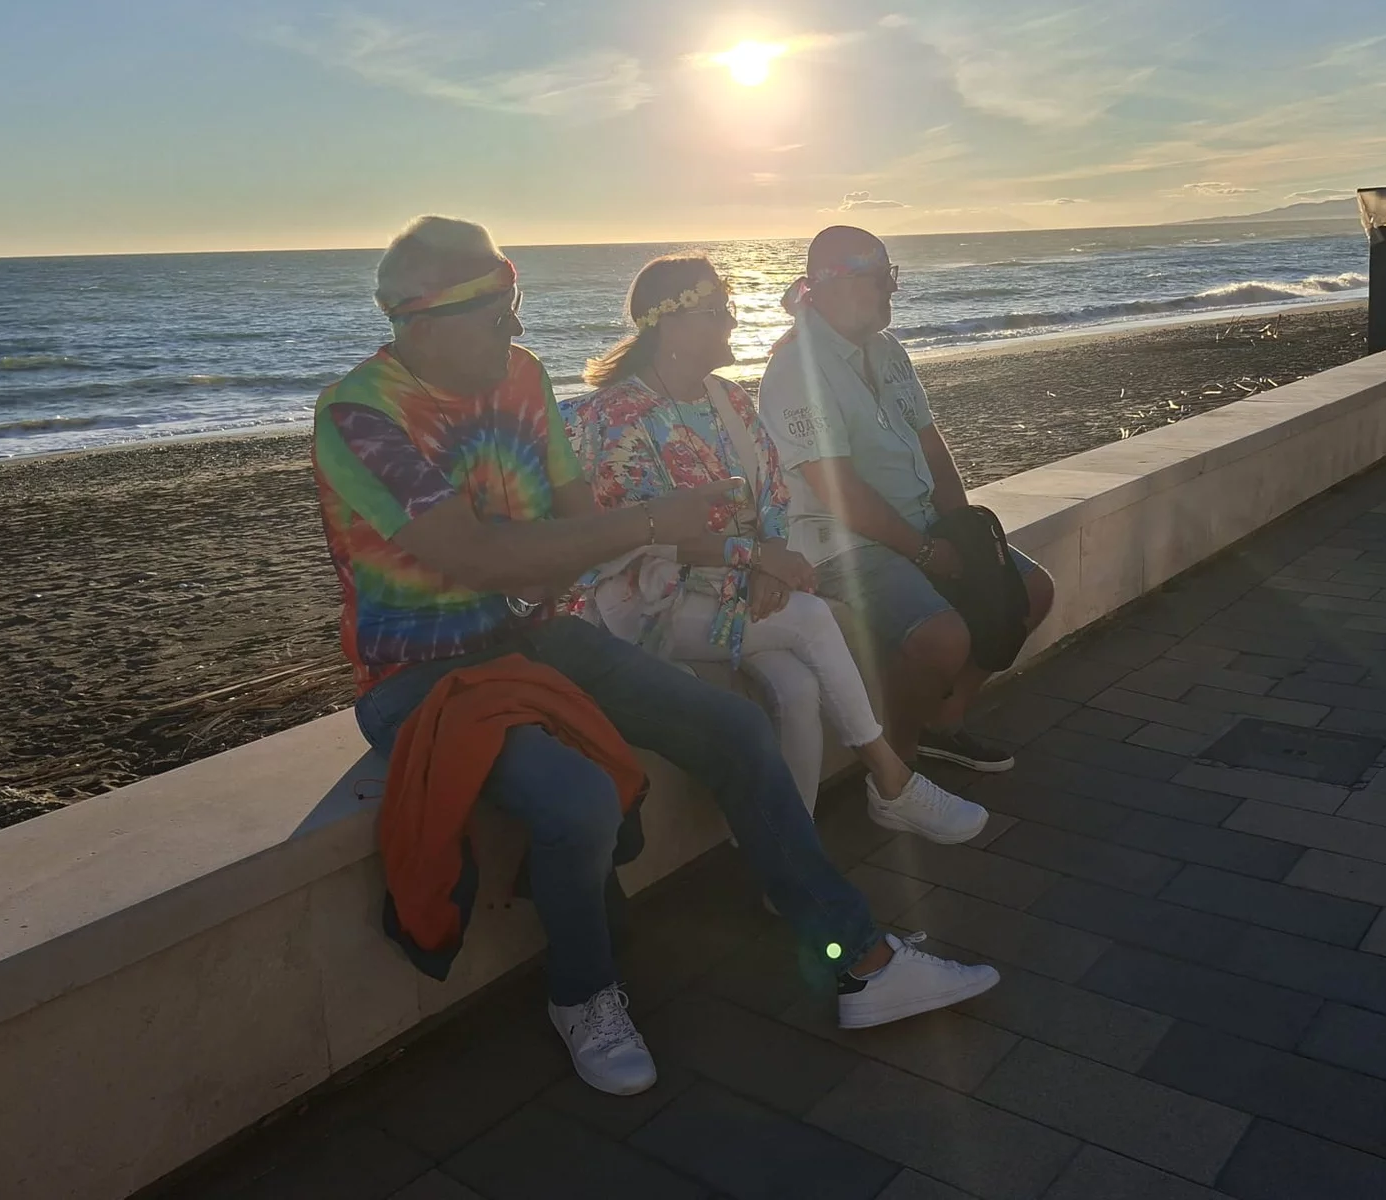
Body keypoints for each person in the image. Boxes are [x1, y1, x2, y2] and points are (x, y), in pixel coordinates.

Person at [313, 217, 998, 1098]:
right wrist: (649, 525)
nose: (517, 326)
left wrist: (619, 542)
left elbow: (570, 527)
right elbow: (483, 556)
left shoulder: (521, 377)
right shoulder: (360, 416)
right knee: (579, 797)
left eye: (517, 302)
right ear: (421, 319)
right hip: (421, 676)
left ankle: (855, 957)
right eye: (496, 311)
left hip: (541, 635)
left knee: (736, 728)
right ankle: (583, 994)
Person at [565, 254, 988, 844]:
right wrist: (759, 560)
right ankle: (892, 781)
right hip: (653, 600)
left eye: (730, 307)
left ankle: (788, 846)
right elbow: (643, 534)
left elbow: (773, 496)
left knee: (798, 688)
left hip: (736, 591)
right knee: (811, 617)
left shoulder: (728, 401)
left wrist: (768, 561)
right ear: (672, 325)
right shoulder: (616, 417)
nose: (732, 321)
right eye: (718, 311)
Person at [757, 225, 1056, 773]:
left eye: (890, 275)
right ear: (834, 283)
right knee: (942, 638)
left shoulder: (887, 348)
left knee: (1031, 592)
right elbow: (839, 490)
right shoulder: (795, 370)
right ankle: (897, 771)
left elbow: (930, 443)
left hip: (919, 522)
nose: (892, 289)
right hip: (842, 542)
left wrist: (964, 529)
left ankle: (944, 723)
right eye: (879, 277)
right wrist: (925, 552)